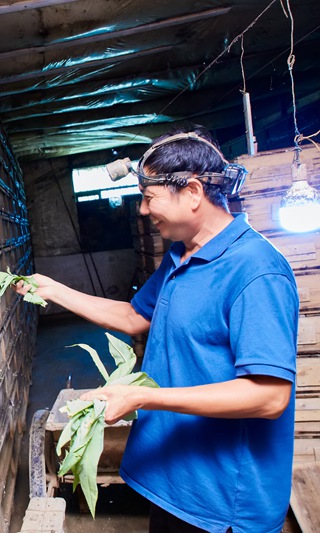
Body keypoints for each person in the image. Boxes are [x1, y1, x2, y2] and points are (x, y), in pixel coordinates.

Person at [16, 125, 298, 533]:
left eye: (150, 199)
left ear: (194, 193)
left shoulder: (257, 272)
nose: (144, 211)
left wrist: (144, 397)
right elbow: (134, 317)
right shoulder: (182, 255)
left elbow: (270, 396)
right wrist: (53, 289)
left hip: (220, 504)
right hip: (173, 482)